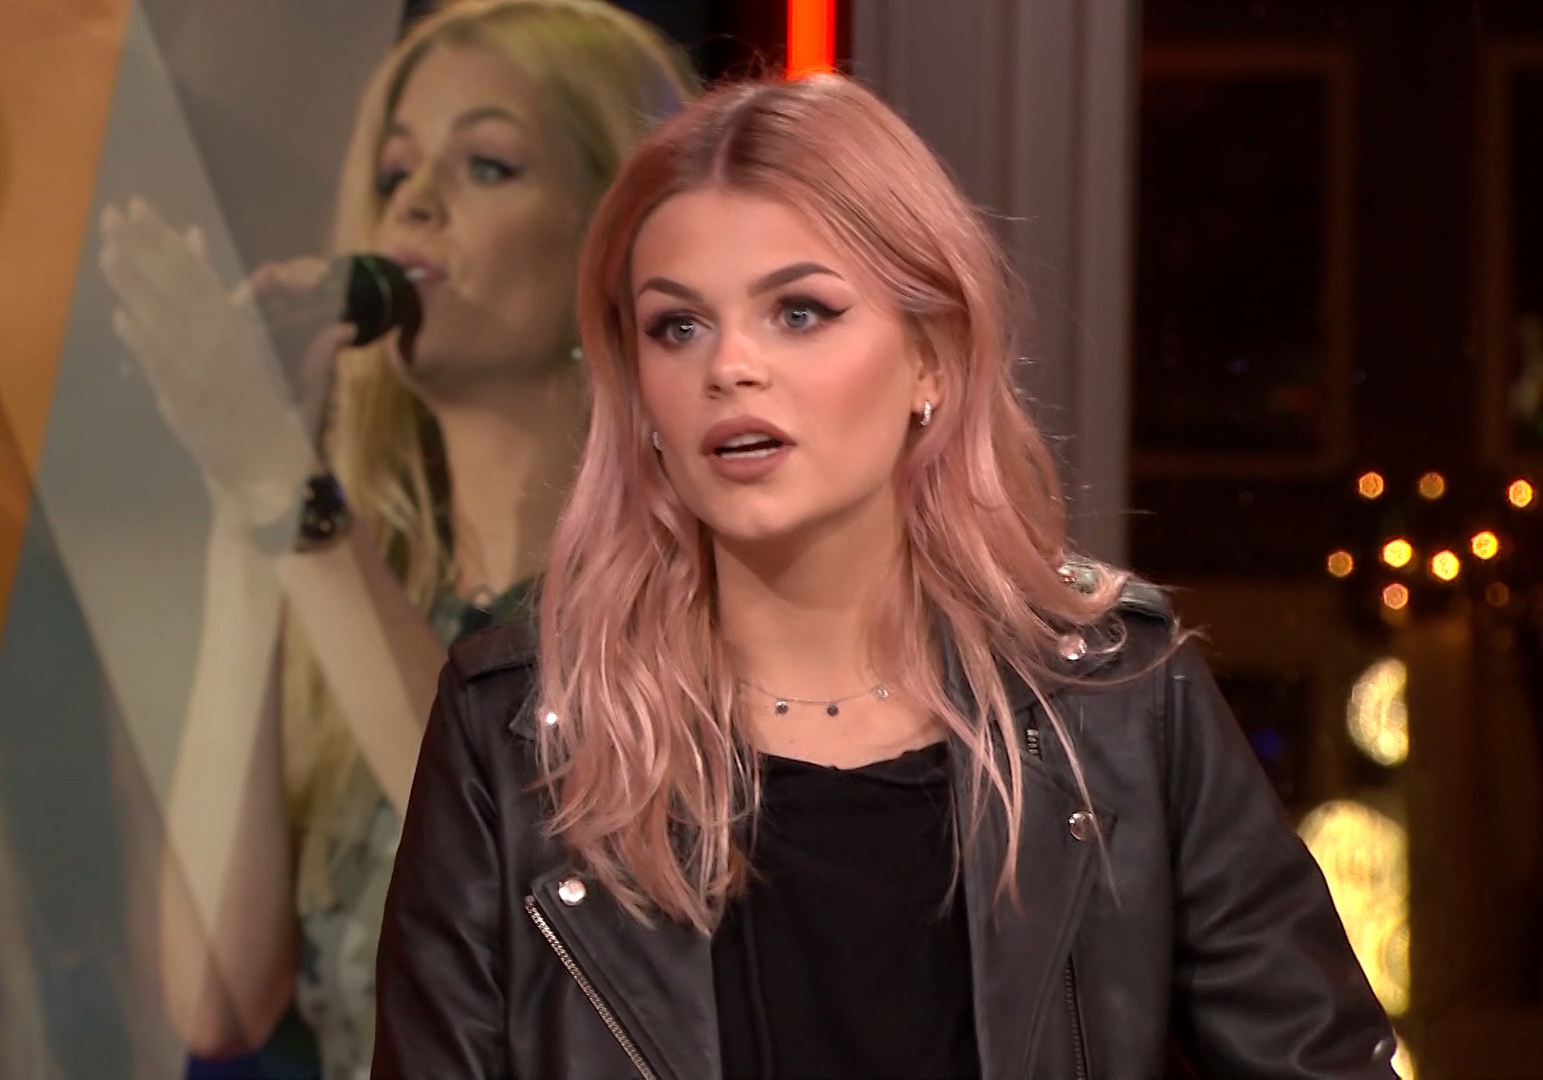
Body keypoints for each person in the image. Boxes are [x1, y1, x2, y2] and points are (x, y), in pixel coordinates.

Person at [372, 74, 1402, 1080]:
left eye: (799, 312)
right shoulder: (517, 734)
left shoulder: (1118, 701)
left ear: (931, 360)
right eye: (677, 327)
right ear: (637, 393)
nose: (729, 368)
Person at [98, 2, 697, 1077]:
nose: (415, 200)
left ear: (614, 246)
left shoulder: (682, 606)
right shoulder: (355, 583)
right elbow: (217, 997)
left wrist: (284, 494)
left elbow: (536, 892)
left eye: (488, 165)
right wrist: (245, 509)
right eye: (394, 172)